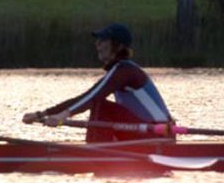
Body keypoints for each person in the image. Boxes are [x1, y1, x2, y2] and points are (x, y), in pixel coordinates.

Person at [22, 23, 174, 143]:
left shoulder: (124, 71)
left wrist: (63, 116)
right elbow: (86, 96)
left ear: (118, 46)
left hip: (158, 134)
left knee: (100, 105)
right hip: (148, 132)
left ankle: (94, 151)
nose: (97, 45)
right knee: (99, 103)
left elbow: (92, 98)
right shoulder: (119, 69)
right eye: (98, 40)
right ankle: (101, 145)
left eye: (103, 41)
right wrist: (42, 114)